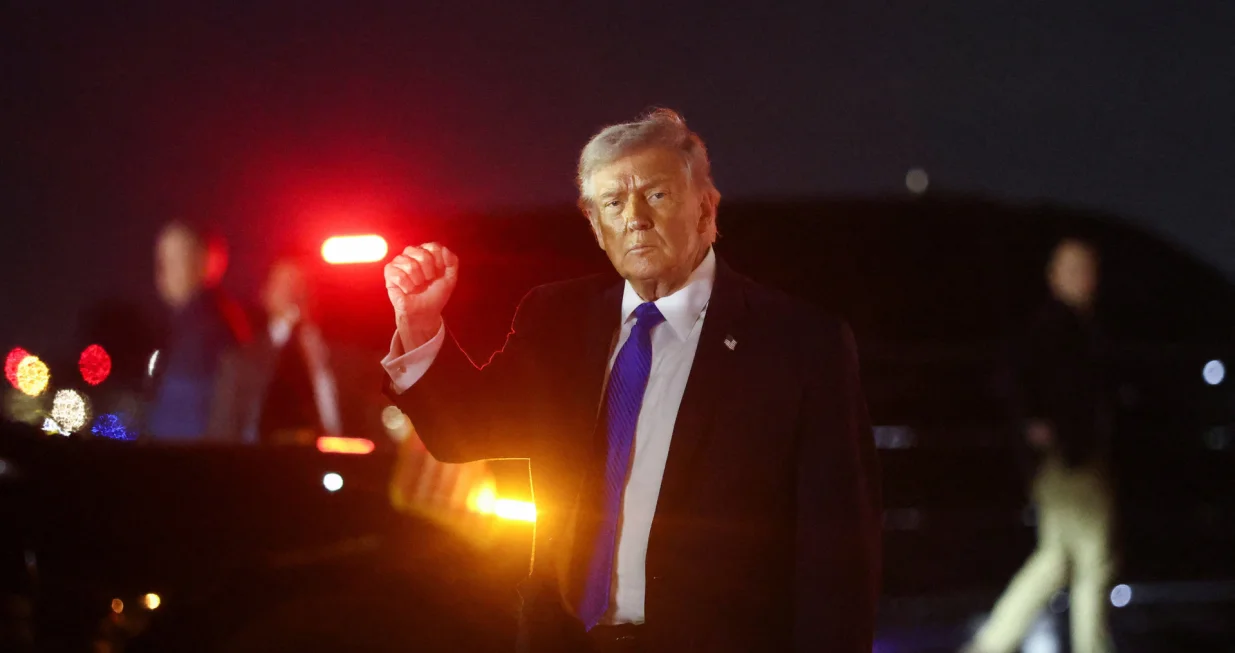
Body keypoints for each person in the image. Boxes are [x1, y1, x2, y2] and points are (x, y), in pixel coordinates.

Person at [381, 109, 881, 653]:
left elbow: (836, 555)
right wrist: (421, 324)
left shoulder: (798, 342)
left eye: (657, 195)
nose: (635, 218)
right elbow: (465, 433)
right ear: (597, 228)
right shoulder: (556, 318)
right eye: (613, 204)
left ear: (706, 209)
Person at [963, 239, 1116, 653]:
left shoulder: (1076, 328)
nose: (1084, 279)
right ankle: (1089, 646)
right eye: (1072, 269)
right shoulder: (1057, 328)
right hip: (1071, 460)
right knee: (1093, 558)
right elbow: (1017, 379)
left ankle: (991, 642)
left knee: (1056, 560)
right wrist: (1040, 425)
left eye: (1087, 269)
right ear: (1053, 277)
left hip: (1063, 459)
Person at [208, 256, 342, 443]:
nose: (293, 293)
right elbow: (223, 432)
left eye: (301, 284)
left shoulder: (341, 359)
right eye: (283, 285)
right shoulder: (240, 362)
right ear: (264, 293)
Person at [146, 221, 251, 441]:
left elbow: (182, 423)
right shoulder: (185, 325)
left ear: (206, 263)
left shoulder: (207, 331)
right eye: (162, 260)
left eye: (176, 260)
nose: (164, 271)